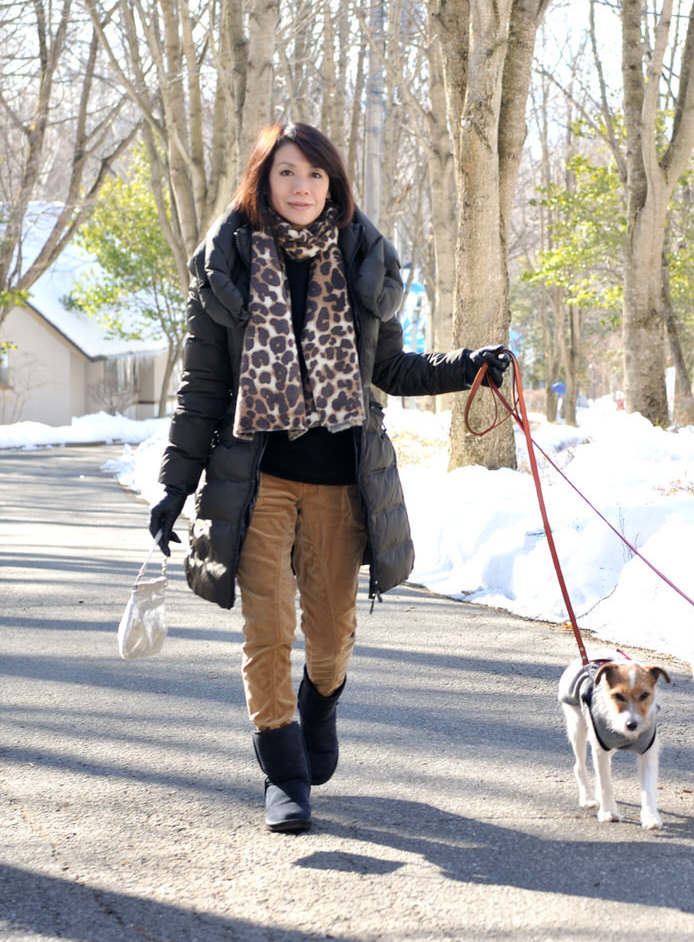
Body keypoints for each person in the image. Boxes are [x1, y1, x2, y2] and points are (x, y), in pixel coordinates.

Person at [148, 122, 507, 833]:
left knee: (333, 633)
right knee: (268, 628)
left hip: (344, 480)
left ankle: (319, 707)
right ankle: (284, 773)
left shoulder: (363, 260)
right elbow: (202, 390)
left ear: (333, 184)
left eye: (314, 174)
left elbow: (391, 370)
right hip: (258, 478)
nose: (301, 187)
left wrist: (472, 365)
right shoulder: (227, 269)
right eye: (286, 173)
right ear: (263, 181)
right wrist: (174, 483)